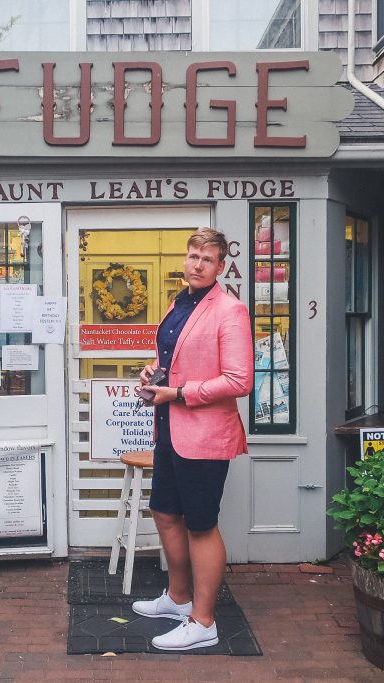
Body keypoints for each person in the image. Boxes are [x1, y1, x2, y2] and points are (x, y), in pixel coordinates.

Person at [132, 227, 254, 651]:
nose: (196, 264)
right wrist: (153, 373)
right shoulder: (179, 302)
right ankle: (179, 599)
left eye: (206, 259)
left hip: (204, 436)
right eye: (192, 256)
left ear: (220, 267)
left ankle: (203, 622)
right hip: (168, 429)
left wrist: (180, 394)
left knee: (201, 525)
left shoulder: (230, 310)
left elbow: (240, 380)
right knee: (165, 512)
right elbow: (174, 357)